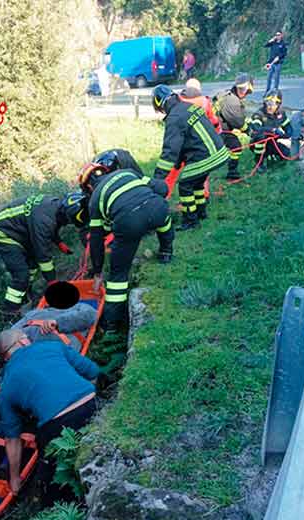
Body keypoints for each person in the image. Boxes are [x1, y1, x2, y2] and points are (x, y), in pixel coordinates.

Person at [0, 329, 100, 504]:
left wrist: (14, 478)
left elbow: (12, 439)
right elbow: (93, 371)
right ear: (22, 341)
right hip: (91, 403)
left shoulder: (5, 387)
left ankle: (60, 508)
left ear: (6, 358)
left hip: (56, 424)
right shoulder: (52, 346)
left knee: (51, 483)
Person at [79, 149, 174, 329]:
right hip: (156, 209)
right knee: (164, 221)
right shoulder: (128, 173)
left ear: (89, 187)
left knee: (118, 275)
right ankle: (166, 252)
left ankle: (112, 324)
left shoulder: (95, 200)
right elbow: (162, 188)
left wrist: (98, 272)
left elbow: (97, 240)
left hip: (129, 225)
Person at [0, 192, 89, 316]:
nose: (68, 224)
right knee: (21, 274)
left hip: (21, 227)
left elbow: (52, 226)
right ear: (68, 215)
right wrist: (53, 283)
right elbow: (43, 257)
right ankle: (10, 312)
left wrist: (58, 242)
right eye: (69, 222)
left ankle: (25, 293)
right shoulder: (44, 220)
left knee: (32, 265)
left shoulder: (55, 205)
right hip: (3, 230)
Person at [153, 84, 227, 228]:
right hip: (219, 151)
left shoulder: (174, 118)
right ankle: (201, 212)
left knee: (185, 185)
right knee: (197, 183)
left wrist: (157, 179)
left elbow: (170, 151)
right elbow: (183, 142)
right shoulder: (187, 106)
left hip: (206, 156)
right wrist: (179, 161)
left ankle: (191, 221)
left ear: (160, 104)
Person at [11, 280, 97, 351]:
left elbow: (90, 315)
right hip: (24, 344)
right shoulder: (36, 312)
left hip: (53, 348)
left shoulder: (80, 308)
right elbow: (12, 332)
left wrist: (57, 322)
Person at [213, 73, 253, 180]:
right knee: (235, 146)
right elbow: (238, 122)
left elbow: (237, 117)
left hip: (218, 129)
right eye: (242, 89)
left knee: (234, 145)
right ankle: (232, 173)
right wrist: (249, 130)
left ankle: (230, 171)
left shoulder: (229, 96)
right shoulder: (232, 101)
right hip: (216, 131)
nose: (244, 93)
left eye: (245, 90)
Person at [248, 89, 292, 172]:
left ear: (279, 104)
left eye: (274, 104)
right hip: (258, 143)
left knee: (286, 153)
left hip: (272, 142)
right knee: (260, 137)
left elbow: (287, 126)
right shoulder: (259, 114)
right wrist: (273, 130)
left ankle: (272, 157)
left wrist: (289, 133)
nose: (270, 106)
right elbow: (256, 128)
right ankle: (259, 163)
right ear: (265, 102)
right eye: (268, 103)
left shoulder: (281, 114)